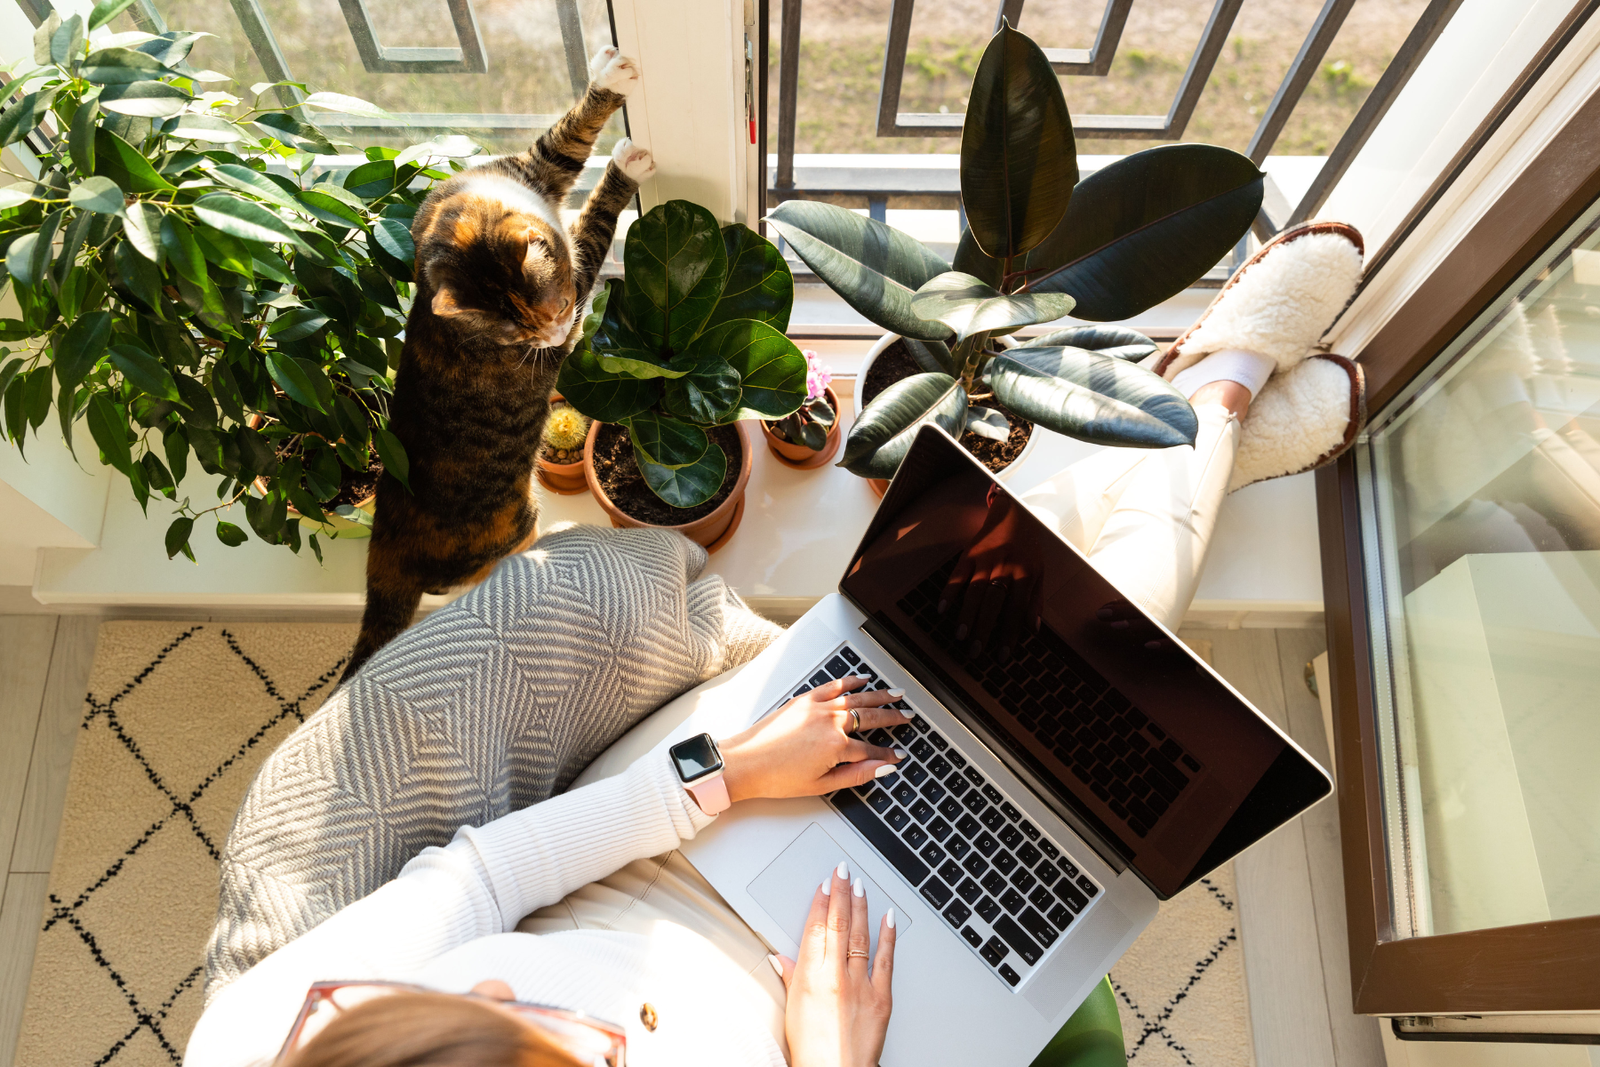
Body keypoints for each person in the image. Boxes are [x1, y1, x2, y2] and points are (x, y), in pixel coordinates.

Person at [184, 222, 1365, 1067]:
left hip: (654, 860)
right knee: (1098, 682)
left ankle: (1203, 413)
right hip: (842, 1021)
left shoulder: (276, 1037)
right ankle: (1204, 408)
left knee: (982, 626)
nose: (498, 977)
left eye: (483, 1005)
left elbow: (488, 877)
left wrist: (725, 774)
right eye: (544, 1040)